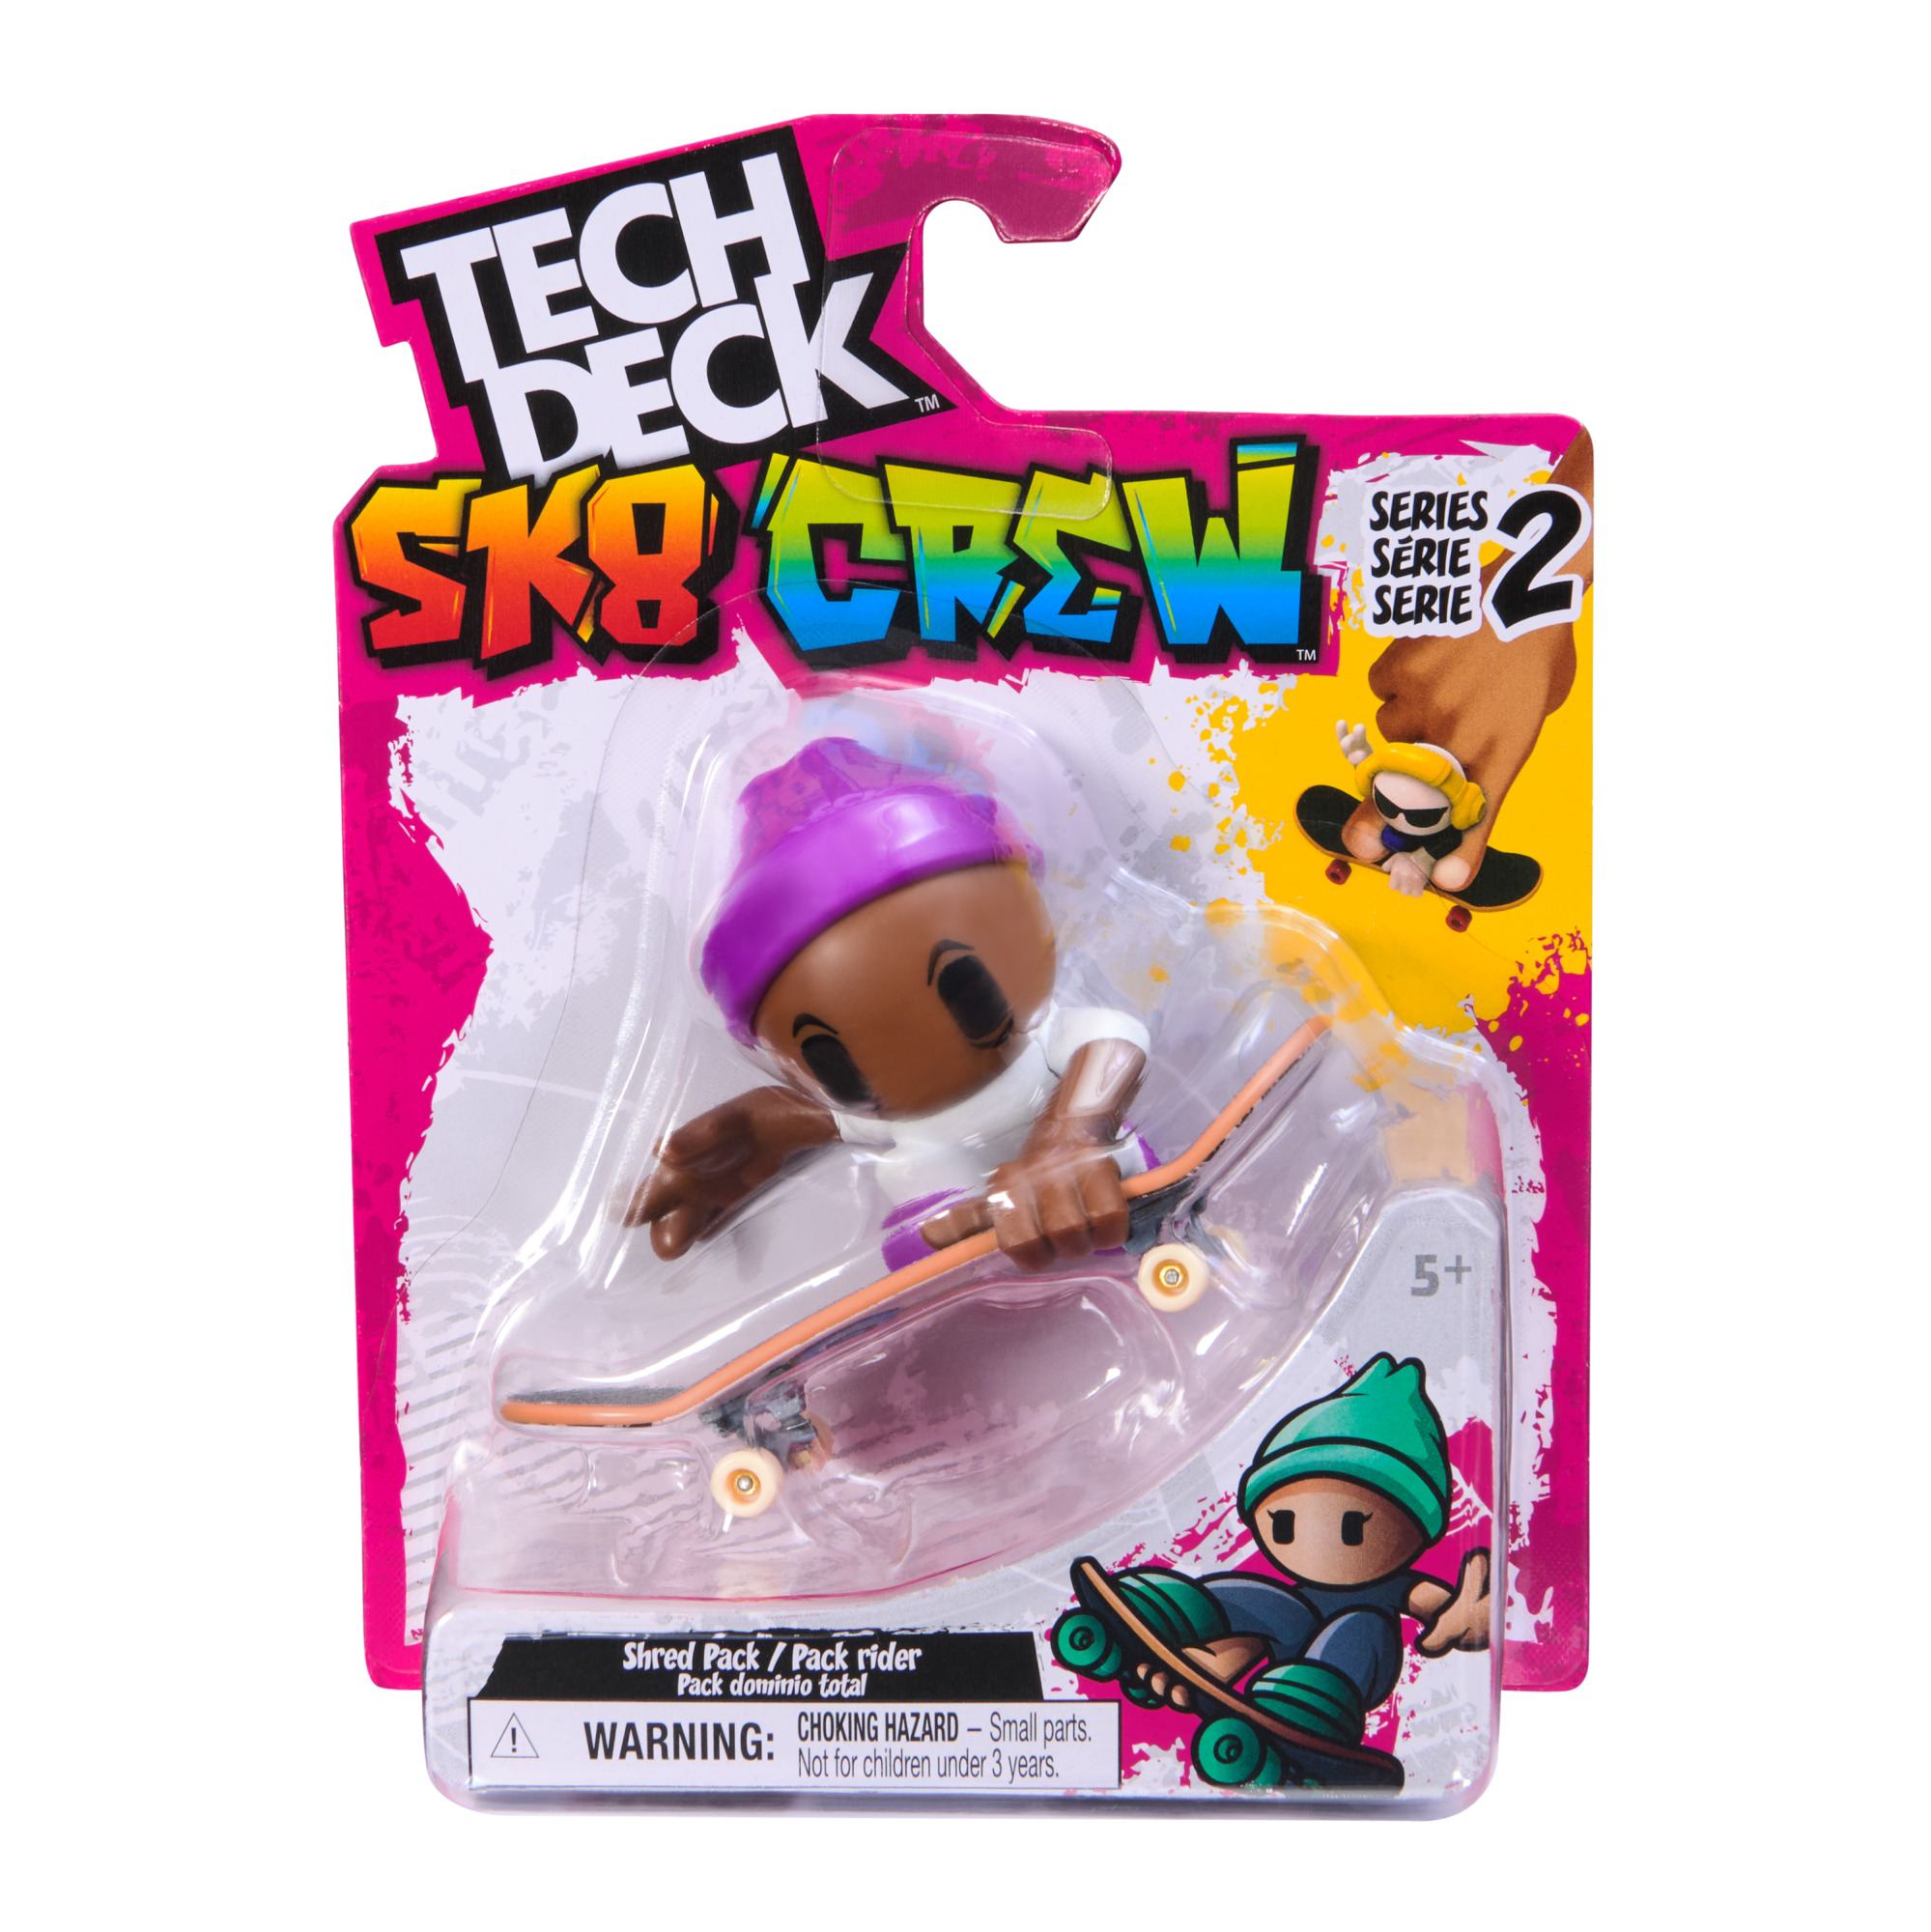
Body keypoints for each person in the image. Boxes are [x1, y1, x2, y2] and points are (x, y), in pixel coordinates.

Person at [623, 737, 1150, 1272]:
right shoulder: (905, 1133)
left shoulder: (1052, 1045)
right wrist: (767, 1127)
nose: (914, 1050)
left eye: (964, 989)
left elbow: (1112, 1050)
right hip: (1012, 1269)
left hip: (1132, 1211)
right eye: (831, 1058)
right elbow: (910, 1245)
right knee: (920, 1190)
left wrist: (1070, 1136)